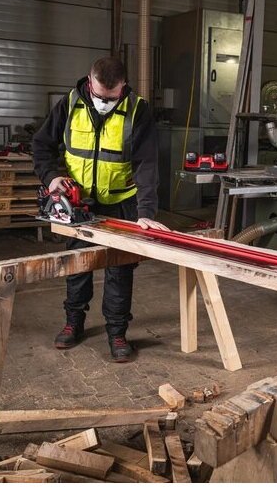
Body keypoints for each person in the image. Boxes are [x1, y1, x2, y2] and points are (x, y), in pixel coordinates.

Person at [32, 56, 169, 362]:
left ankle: (117, 333)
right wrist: (51, 177)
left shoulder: (138, 110)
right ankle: (73, 322)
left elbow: (147, 165)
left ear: (124, 86)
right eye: (99, 96)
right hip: (80, 204)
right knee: (78, 265)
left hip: (122, 204)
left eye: (111, 97)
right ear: (89, 81)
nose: (104, 103)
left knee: (119, 270)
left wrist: (145, 212)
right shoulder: (70, 104)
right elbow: (41, 145)